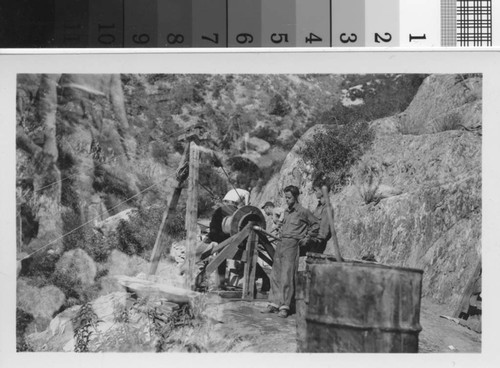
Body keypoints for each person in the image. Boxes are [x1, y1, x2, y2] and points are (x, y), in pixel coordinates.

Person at [264, 185, 319, 318]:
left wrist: (306, 239)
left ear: (295, 197)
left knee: (287, 276)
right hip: (281, 243)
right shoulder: (287, 212)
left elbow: (316, 225)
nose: (287, 200)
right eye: (286, 197)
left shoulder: (303, 212)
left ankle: (284, 306)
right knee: (275, 274)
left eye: (289, 197)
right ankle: (273, 304)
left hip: (292, 245)